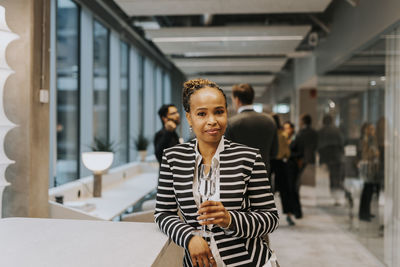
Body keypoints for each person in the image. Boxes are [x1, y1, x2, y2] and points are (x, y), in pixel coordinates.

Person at [154, 78, 279, 267]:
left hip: (249, 261)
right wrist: (189, 238)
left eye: (219, 112)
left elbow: (270, 218)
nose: (212, 121)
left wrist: (230, 219)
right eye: (202, 114)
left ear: (227, 113)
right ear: (189, 117)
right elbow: (163, 213)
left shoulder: (249, 157)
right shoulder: (173, 158)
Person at [224, 83, 278, 176]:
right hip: (263, 173)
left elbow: (227, 154)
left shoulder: (232, 123)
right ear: (252, 98)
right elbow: (274, 152)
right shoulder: (269, 121)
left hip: (240, 176)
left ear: (237, 100)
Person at [270, 114, 296, 226]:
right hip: (281, 163)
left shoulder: (269, 134)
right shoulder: (283, 135)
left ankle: (266, 216)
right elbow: (287, 153)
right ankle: (289, 215)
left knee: (266, 191)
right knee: (285, 191)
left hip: (269, 163)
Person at [317, 114, 344, 205]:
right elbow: (341, 143)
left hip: (327, 157)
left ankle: (334, 195)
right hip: (337, 156)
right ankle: (337, 197)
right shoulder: (336, 131)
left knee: (331, 177)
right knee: (336, 177)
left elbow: (318, 146)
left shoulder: (321, 131)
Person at [358, 122, 380, 222]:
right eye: (370, 129)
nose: (372, 131)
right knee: (367, 191)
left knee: (369, 191)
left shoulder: (372, 140)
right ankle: (363, 213)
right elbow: (365, 154)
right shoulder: (365, 140)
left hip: (372, 168)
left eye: (373, 129)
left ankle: (366, 211)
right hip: (367, 167)